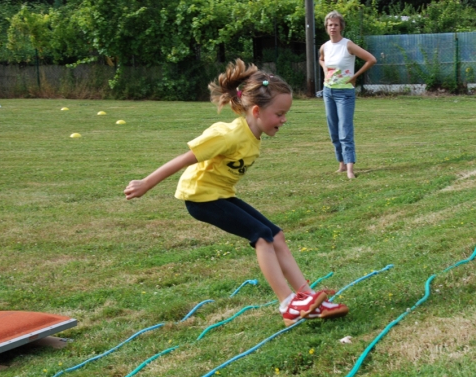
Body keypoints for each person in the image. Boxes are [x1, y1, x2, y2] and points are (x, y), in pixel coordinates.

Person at [124, 59, 348, 326]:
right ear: (256, 110)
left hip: (219, 194)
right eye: (279, 114)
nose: (284, 120)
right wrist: (146, 183)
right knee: (262, 237)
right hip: (200, 198)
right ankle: (288, 304)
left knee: (276, 235)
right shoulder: (228, 136)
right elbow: (184, 159)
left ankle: (308, 297)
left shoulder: (253, 136)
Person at [319, 10, 376, 179]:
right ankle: (341, 164)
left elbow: (371, 59)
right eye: (330, 25)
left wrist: (354, 77)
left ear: (341, 27)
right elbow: (321, 59)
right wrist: (324, 70)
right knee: (334, 131)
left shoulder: (347, 45)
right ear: (326, 27)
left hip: (345, 93)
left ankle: (350, 169)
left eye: (336, 25)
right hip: (328, 92)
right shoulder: (325, 46)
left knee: (345, 130)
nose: (333, 28)